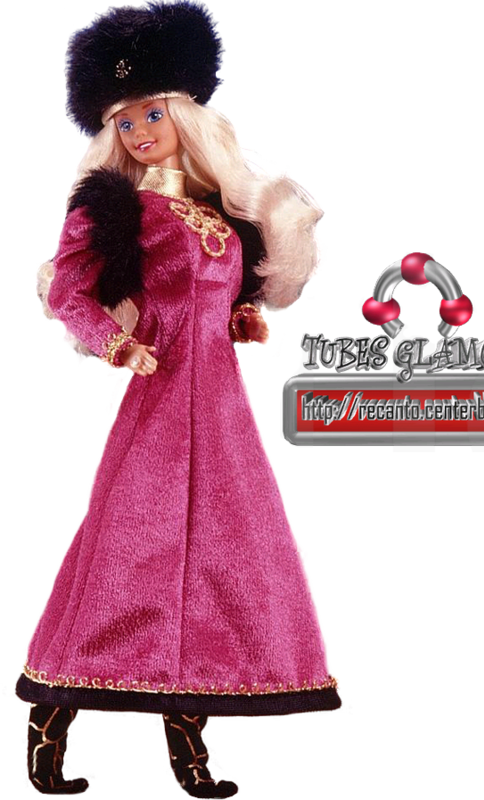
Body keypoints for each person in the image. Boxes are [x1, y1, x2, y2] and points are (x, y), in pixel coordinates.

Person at [16, 1, 342, 796]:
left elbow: (219, 298)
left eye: (151, 114)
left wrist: (245, 317)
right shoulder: (113, 208)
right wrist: (115, 344)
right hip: (159, 404)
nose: (138, 132)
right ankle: (44, 737)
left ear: (185, 116)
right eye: (123, 122)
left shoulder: (219, 213)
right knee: (126, 559)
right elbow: (69, 293)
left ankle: (188, 750)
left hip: (222, 412)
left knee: (220, 566)